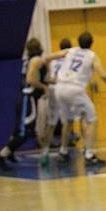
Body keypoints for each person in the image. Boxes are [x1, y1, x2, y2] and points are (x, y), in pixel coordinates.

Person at [0, 38, 66, 172]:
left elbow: (47, 61)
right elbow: (30, 79)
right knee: (25, 132)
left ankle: (10, 153)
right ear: (39, 47)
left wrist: (54, 81)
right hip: (28, 98)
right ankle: (1, 156)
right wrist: (44, 87)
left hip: (25, 98)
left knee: (19, 130)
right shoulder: (36, 60)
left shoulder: (32, 60)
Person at [55, 32, 106, 167]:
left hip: (59, 88)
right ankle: (89, 155)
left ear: (78, 42)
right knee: (92, 120)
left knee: (68, 121)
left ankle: (63, 151)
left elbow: (50, 56)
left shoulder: (70, 51)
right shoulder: (92, 56)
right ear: (92, 43)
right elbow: (102, 74)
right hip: (75, 89)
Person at [37, 38, 72, 167]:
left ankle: (45, 153)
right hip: (62, 89)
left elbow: (45, 60)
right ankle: (63, 150)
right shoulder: (71, 58)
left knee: (51, 123)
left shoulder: (52, 59)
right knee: (67, 122)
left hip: (52, 89)